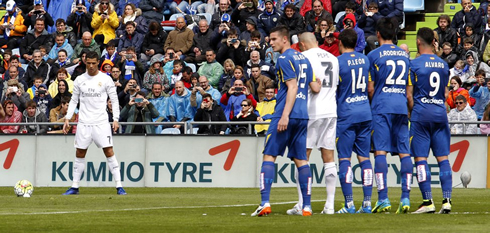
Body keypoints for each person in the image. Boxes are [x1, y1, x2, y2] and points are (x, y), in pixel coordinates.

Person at [251, 26, 320, 217]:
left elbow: (292, 86)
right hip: (302, 115)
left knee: (269, 155)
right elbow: (315, 86)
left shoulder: (283, 58)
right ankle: (307, 207)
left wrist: (284, 115)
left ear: (284, 39)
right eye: (270, 40)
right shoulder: (304, 58)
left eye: (274, 39)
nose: (270, 43)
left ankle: (264, 203)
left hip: (285, 112)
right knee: (301, 160)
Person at [286, 31, 337, 215]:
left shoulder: (303, 58)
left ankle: (302, 204)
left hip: (310, 112)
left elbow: (304, 86)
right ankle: (330, 206)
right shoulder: (334, 58)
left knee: (302, 158)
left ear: (301, 45)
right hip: (331, 111)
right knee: (329, 158)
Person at [61, 51, 125, 195]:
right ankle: (75, 186)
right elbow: (74, 100)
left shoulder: (106, 79)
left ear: (98, 63)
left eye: (93, 63)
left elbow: (114, 100)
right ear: (85, 62)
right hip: (83, 122)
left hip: (101, 122)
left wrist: (115, 119)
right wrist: (67, 118)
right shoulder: (79, 80)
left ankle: (119, 186)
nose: (90, 66)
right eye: (88, 63)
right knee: (79, 152)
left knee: (109, 151)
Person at [367, 18, 412, 213]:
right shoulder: (404, 56)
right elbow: (409, 88)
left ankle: (383, 198)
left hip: (382, 106)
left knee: (380, 151)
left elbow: (370, 88)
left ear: (378, 34)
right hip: (401, 106)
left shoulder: (374, 55)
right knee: (404, 152)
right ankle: (405, 198)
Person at [408, 27, 453, 214]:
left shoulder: (414, 64)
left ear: (418, 42)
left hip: (421, 114)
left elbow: (409, 96)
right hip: (440, 114)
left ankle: (427, 201)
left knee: (421, 159)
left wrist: (412, 113)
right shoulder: (443, 65)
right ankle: (447, 200)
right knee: (443, 158)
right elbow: (445, 93)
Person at [328, 28, 374, 214]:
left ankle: (349, 204)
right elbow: (370, 88)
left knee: (345, 158)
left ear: (340, 43)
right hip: (365, 112)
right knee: (364, 158)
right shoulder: (365, 59)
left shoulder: (338, 62)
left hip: (346, 114)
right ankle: (368, 203)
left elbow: (333, 89)